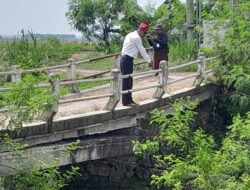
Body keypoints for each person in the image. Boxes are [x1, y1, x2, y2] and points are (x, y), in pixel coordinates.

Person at [120, 22, 152, 106]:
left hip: (125, 58)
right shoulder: (137, 38)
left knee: (128, 80)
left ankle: (129, 100)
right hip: (127, 59)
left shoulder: (130, 34)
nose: (144, 35)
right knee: (127, 80)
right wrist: (149, 61)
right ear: (141, 30)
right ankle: (126, 102)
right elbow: (142, 50)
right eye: (144, 33)